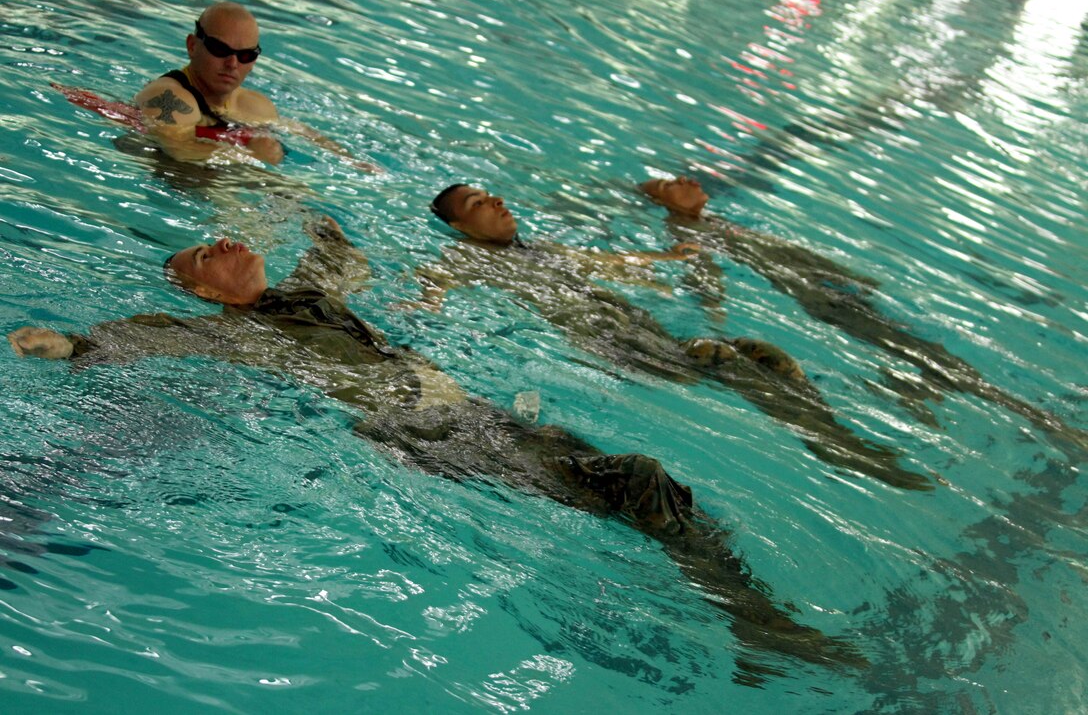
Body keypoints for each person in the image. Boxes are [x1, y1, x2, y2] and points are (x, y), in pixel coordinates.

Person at [8, 216, 866, 679]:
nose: (225, 241)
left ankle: (752, 621)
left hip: (481, 417)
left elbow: (342, 258)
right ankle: (758, 623)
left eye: (222, 235)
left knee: (644, 487)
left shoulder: (303, 301)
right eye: (206, 250)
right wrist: (67, 345)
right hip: (431, 436)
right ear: (198, 286)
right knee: (637, 479)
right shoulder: (223, 331)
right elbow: (140, 339)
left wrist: (315, 222)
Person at [423, 184, 933, 491]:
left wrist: (667, 262)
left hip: (643, 329)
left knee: (757, 353)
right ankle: (836, 445)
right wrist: (423, 307)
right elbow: (436, 284)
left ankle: (831, 435)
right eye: (478, 202)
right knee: (721, 356)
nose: (497, 201)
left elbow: (611, 264)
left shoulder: (542, 250)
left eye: (492, 194)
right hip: (614, 344)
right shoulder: (466, 257)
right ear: (461, 226)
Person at [639, 176, 1088, 457]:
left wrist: (850, 276)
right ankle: (1044, 423)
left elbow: (792, 254)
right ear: (666, 203)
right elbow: (703, 273)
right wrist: (714, 310)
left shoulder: (716, 223)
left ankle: (942, 394)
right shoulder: (685, 229)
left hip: (837, 294)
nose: (686, 178)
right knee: (933, 356)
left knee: (927, 355)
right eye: (668, 183)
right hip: (825, 304)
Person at [133, 2, 377, 171]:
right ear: (192, 46)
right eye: (220, 50)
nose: (232, 64)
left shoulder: (255, 105)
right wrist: (250, 156)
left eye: (246, 55)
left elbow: (297, 129)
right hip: (178, 183)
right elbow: (178, 149)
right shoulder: (171, 95)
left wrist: (350, 160)